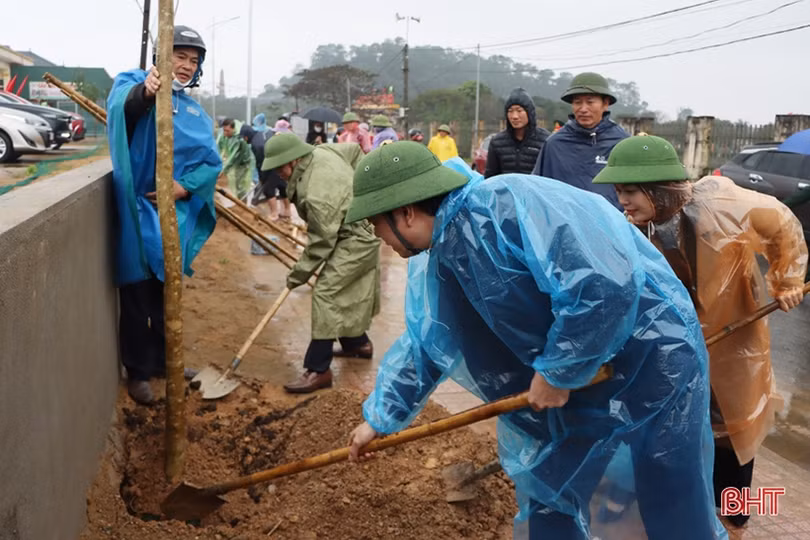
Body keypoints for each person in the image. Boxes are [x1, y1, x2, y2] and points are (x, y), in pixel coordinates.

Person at [343, 142, 726, 540]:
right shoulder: (442, 250)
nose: (377, 236)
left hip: (652, 356)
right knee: (548, 484)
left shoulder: (508, 206)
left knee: (668, 486)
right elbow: (431, 340)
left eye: (375, 224)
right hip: (578, 374)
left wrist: (560, 371)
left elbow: (604, 287)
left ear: (405, 213)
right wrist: (381, 418)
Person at [593, 135, 808, 527]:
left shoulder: (723, 204)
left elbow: (782, 223)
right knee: (682, 429)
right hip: (678, 344)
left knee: (733, 430)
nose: (622, 200)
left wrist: (787, 280)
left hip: (733, 341)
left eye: (629, 191)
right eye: (618, 191)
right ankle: (689, 512)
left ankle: (732, 520)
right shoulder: (637, 227)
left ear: (657, 189)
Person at [107, 25, 221, 405]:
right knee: (138, 292)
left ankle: (162, 361)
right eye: (179, 56)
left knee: (166, 293)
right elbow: (123, 108)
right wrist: (146, 92)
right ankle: (138, 370)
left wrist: (183, 187)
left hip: (174, 214)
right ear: (161, 55)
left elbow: (210, 163)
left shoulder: (192, 109)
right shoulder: (134, 81)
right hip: (138, 211)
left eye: (193, 60)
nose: (186, 66)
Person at [261, 134, 381, 393]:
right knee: (344, 289)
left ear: (294, 160)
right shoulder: (323, 150)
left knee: (326, 292)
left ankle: (318, 369)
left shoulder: (315, 192)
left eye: (281, 166)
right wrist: (359, 191)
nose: (279, 173)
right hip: (351, 229)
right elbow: (354, 152)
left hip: (356, 239)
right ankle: (357, 344)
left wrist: (299, 274)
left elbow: (321, 242)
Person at [532, 72, 628, 209]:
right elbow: (538, 189)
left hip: (611, 226)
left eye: (590, 102)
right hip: (566, 226)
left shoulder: (622, 143)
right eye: (577, 102)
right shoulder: (555, 144)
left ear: (605, 104)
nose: (583, 109)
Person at [485, 88, 549, 177]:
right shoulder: (497, 142)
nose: (514, 116)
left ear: (529, 113)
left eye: (519, 111)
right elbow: (490, 177)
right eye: (510, 111)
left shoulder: (545, 140)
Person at [218, 117, 253, 200]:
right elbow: (221, 148)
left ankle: (242, 204)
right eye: (224, 130)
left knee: (241, 185)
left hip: (243, 162)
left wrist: (223, 170)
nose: (225, 133)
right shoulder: (226, 136)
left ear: (233, 129)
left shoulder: (239, 138)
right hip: (236, 162)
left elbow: (233, 156)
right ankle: (240, 200)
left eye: (227, 131)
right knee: (237, 183)